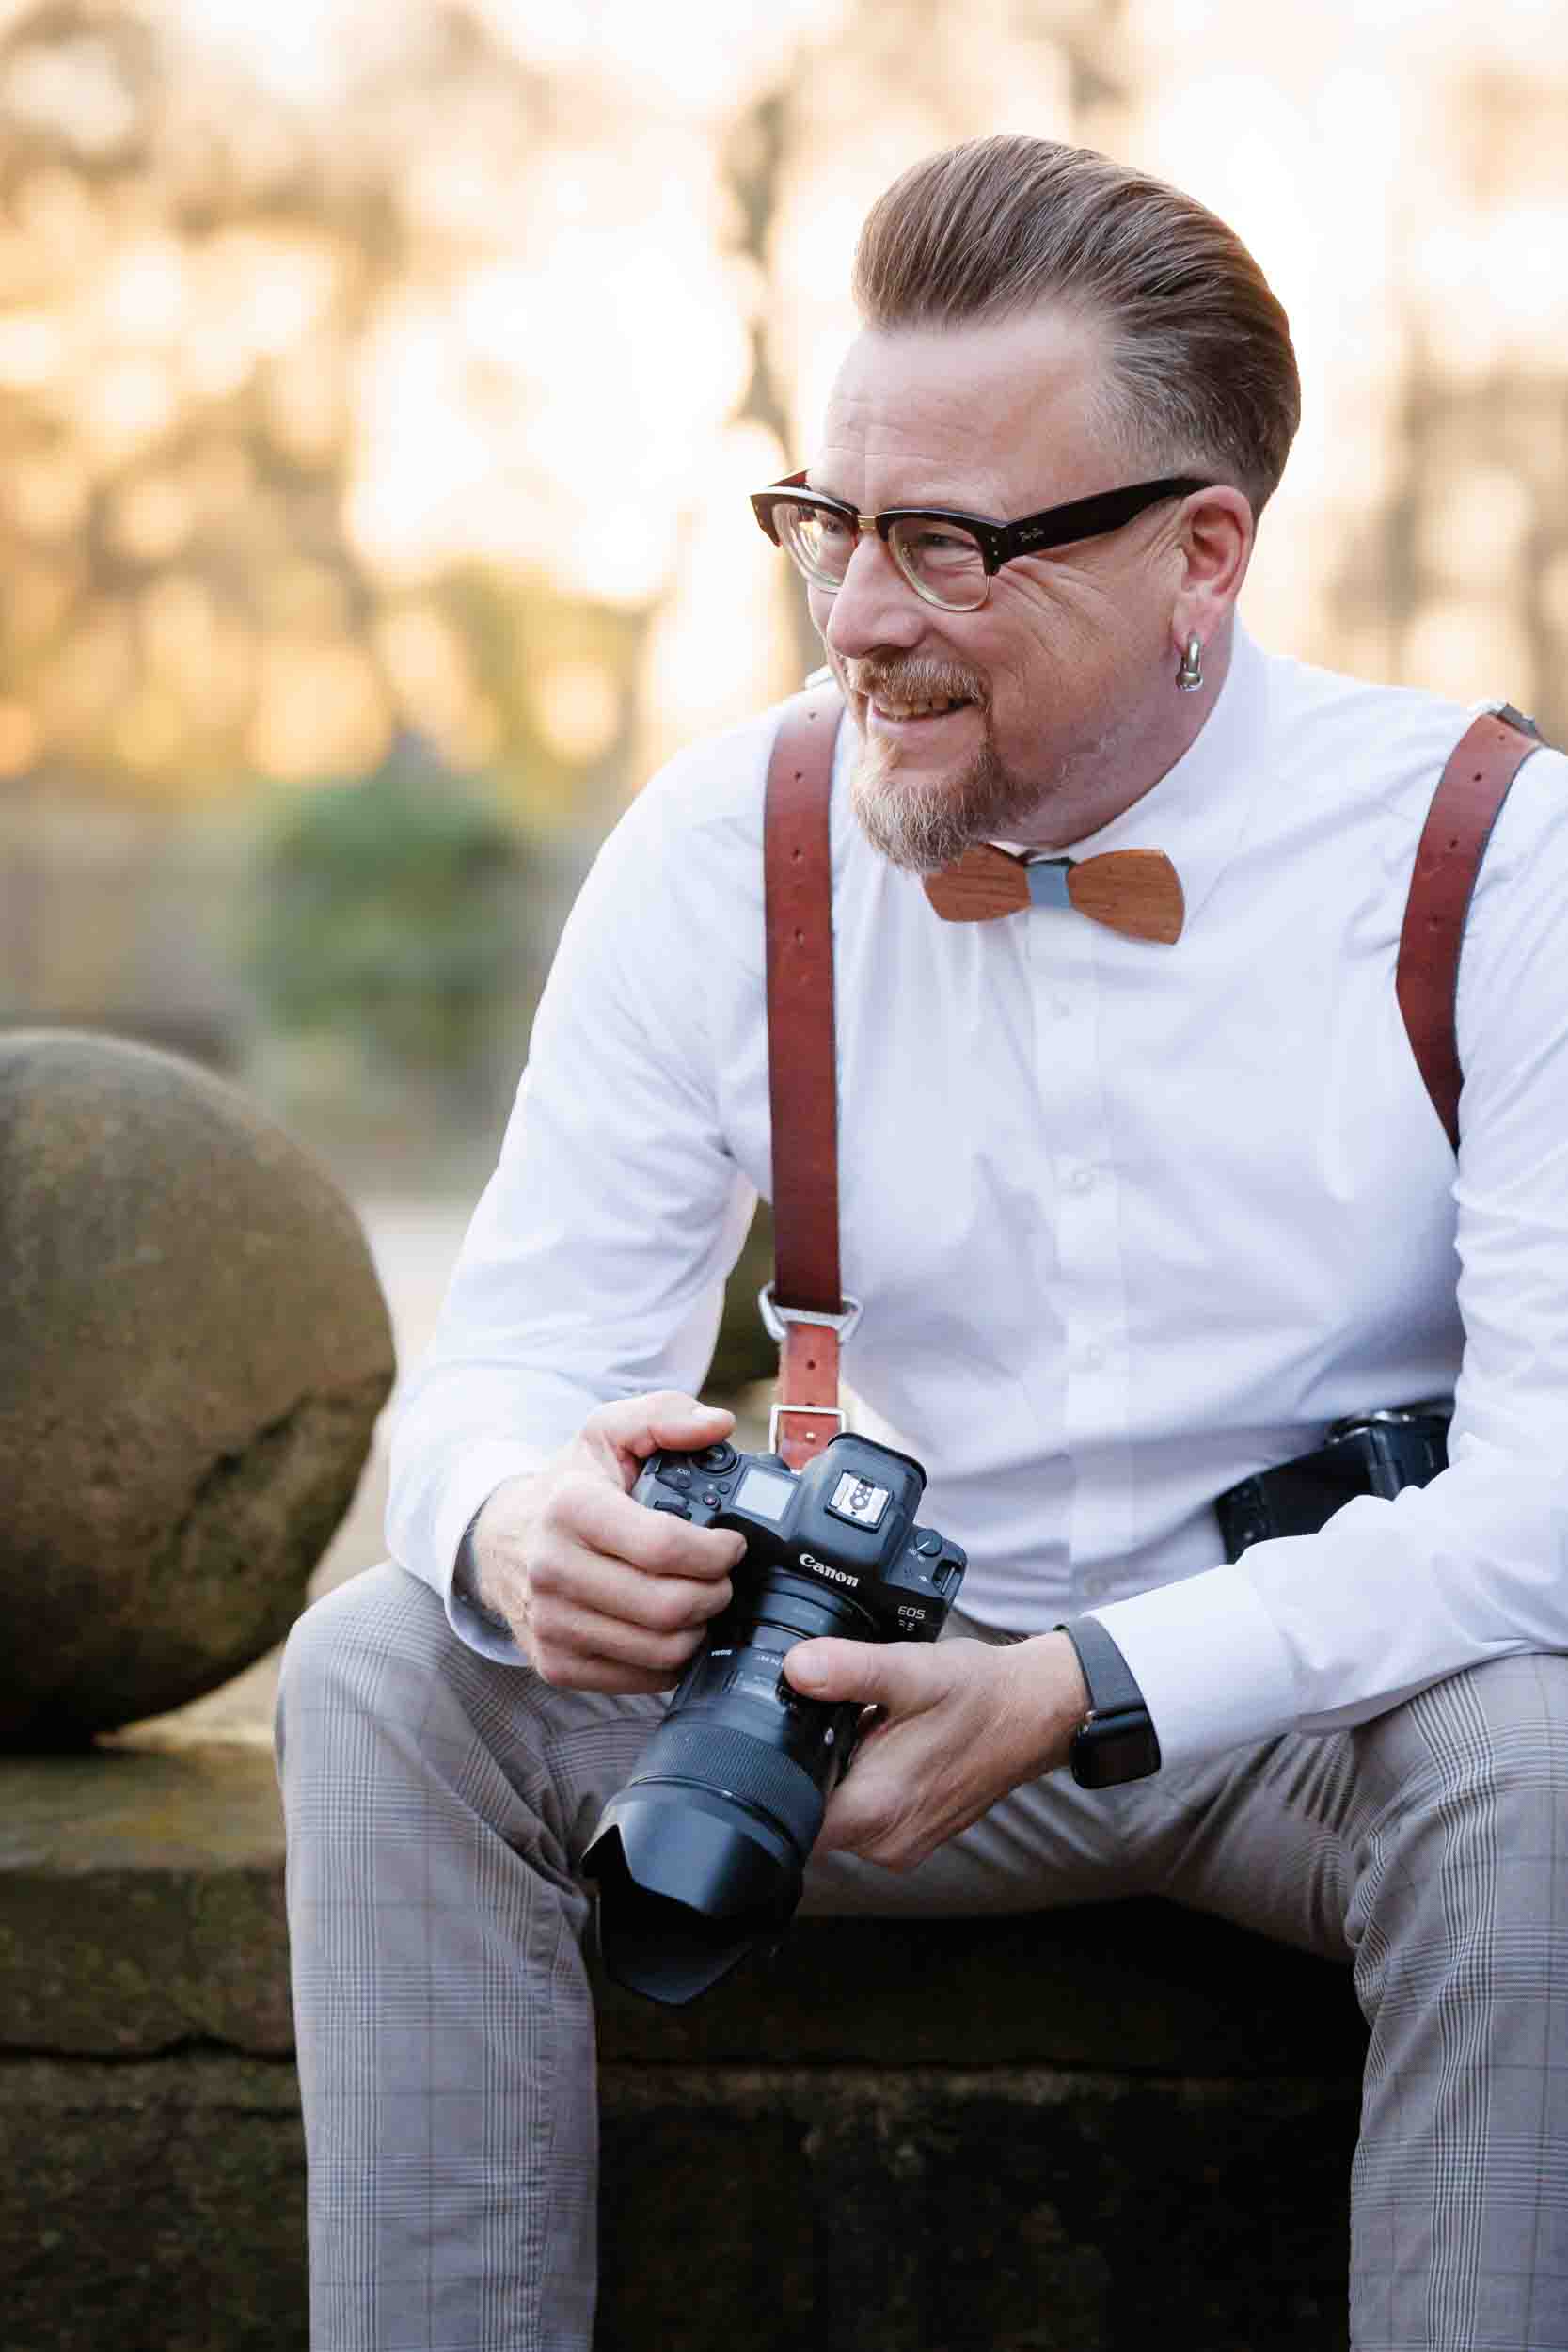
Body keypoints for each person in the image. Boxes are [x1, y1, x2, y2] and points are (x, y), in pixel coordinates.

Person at [276, 134, 1568, 2351]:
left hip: (1326, 1706)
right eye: (833, 521)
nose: (864, 614)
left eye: (951, 544)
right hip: (851, 1692)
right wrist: (513, 1519)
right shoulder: (723, 843)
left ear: (1202, 553)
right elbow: (499, 1364)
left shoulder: (1495, 856)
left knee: (1545, 1765)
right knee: (383, 1668)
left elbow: (1549, 1496)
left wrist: (1088, 1683)